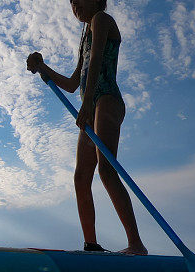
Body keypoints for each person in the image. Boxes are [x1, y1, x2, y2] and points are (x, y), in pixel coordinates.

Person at [27, 0, 147, 255]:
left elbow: (96, 60)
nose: (74, 4)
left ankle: (136, 244)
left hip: (106, 100)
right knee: (81, 177)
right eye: (70, 1)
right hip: (89, 107)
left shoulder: (102, 20)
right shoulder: (85, 36)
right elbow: (72, 84)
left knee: (106, 168)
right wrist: (42, 67)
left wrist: (90, 101)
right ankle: (91, 245)